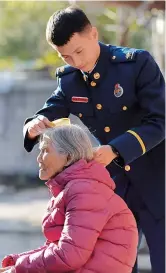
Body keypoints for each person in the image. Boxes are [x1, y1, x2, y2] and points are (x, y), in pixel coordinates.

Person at [23, 6, 165, 273]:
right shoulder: (69, 80)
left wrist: (115, 149)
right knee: (116, 263)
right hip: (114, 186)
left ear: (93, 34)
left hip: (157, 181)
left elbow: (160, 121)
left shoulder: (136, 64)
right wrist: (33, 124)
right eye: (65, 56)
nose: (75, 62)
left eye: (79, 51)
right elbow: (50, 110)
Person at [1, 122, 138, 273]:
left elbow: (69, 256)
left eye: (45, 151)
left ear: (68, 157)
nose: (39, 159)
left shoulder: (85, 191)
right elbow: (58, 248)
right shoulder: (77, 188)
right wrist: (16, 262)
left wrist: (18, 268)